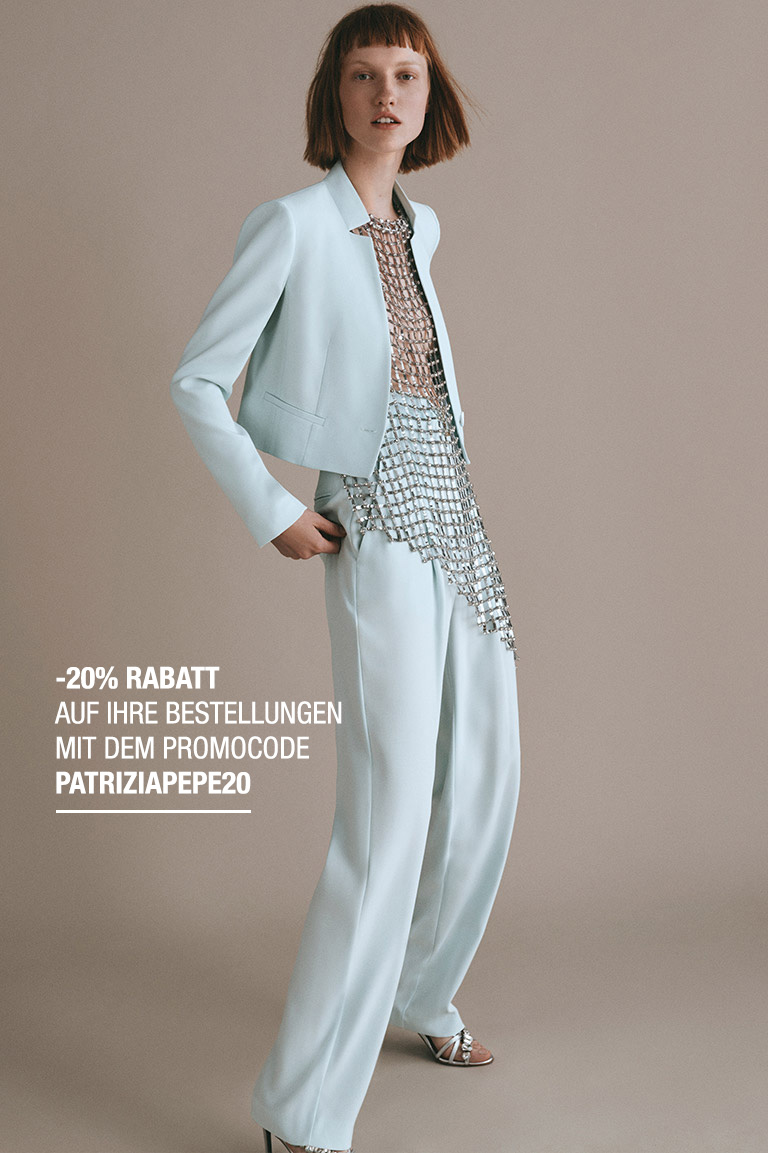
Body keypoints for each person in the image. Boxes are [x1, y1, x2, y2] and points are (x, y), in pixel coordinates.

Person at [170, 5, 521, 1151]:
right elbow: (197, 381)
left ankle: (421, 993)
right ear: (337, 95)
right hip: (372, 520)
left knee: (485, 779)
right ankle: (304, 1109)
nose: (387, 95)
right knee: (386, 816)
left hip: (455, 515)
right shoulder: (291, 225)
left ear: (429, 96)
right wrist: (273, 507)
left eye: (406, 75)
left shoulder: (422, 228)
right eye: (365, 75)